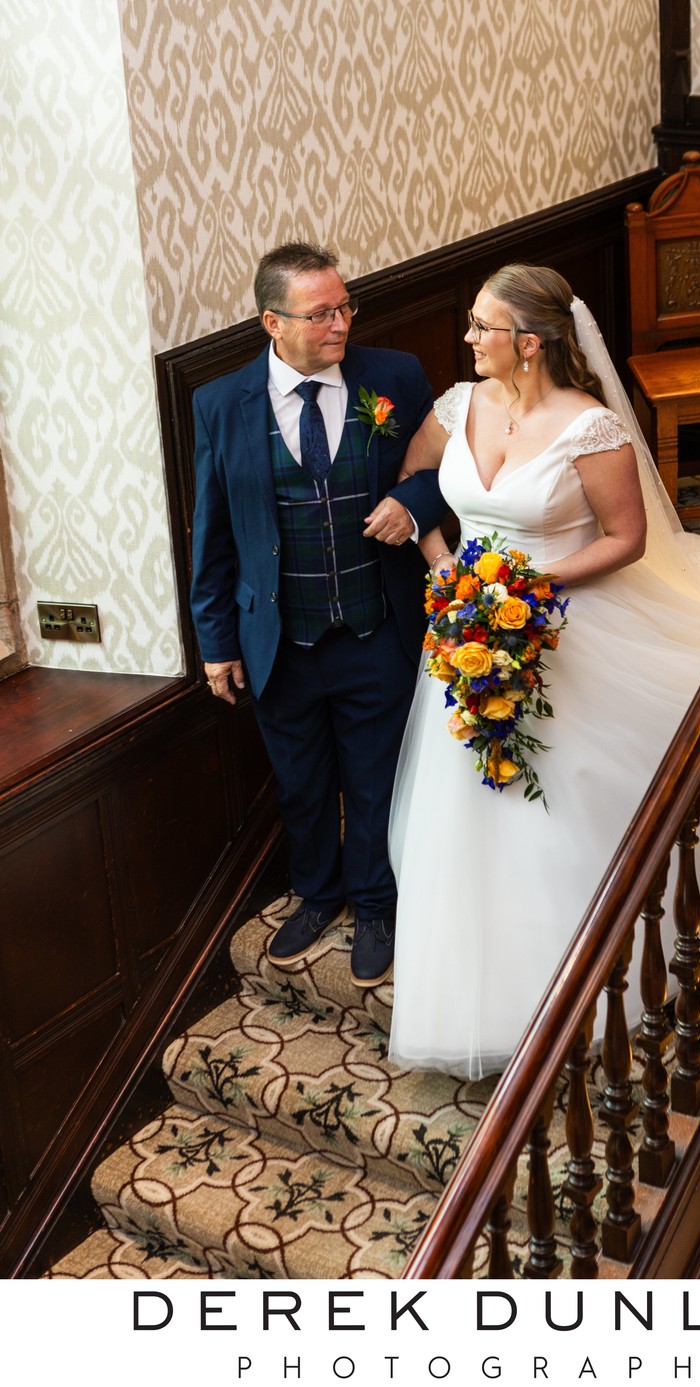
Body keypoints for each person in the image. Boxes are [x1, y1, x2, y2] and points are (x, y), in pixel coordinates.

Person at [386, 263, 700, 1080]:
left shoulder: (590, 428)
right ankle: (479, 996)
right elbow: (414, 484)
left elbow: (625, 539)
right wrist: (444, 569)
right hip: (467, 626)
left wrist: (526, 586)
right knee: (468, 803)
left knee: (559, 803)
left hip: (565, 623)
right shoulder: (456, 407)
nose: (467, 338)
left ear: (529, 343)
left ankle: (587, 982)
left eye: (482, 326)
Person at [190, 240, 448, 988]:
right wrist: (216, 642)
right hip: (278, 637)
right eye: (321, 313)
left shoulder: (393, 376)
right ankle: (317, 893)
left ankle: (375, 905)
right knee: (300, 780)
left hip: (377, 625)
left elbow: (444, 471)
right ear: (272, 322)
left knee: (373, 777)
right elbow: (213, 532)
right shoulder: (220, 404)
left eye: (345, 306)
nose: (340, 324)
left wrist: (411, 503)